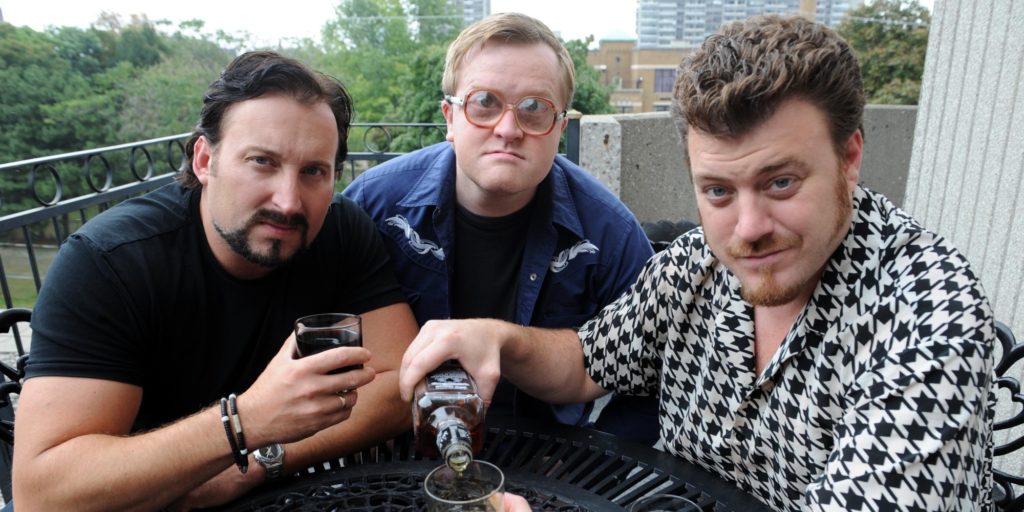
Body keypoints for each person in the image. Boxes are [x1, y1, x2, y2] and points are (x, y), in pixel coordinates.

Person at [398, 15, 995, 511]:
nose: (748, 228)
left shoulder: (930, 313)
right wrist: (497, 338)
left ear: (850, 155)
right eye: (717, 191)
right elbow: (586, 363)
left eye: (780, 182)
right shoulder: (694, 265)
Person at [13, 51, 419, 511]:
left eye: (313, 171)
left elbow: (400, 386)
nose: (288, 202)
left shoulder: (341, 228)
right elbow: (41, 496)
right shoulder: (110, 262)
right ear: (205, 160)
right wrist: (244, 423)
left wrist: (258, 460)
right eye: (262, 161)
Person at [342, 12, 656, 437]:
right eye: (484, 103)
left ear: (560, 128)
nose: (508, 129)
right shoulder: (374, 207)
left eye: (534, 109)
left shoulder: (609, 234)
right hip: (394, 444)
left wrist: (593, 465)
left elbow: (653, 374)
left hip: (548, 455)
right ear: (450, 117)